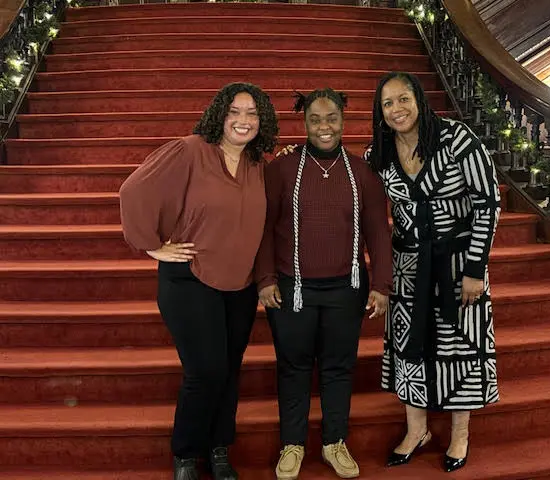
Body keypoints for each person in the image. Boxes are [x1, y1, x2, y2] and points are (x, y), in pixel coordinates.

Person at [119, 82, 278, 480]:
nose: (244, 121)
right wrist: (152, 246)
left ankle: (218, 447)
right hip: (189, 280)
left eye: (253, 114)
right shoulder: (190, 150)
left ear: (263, 122)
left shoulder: (258, 164)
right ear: (219, 116)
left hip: (239, 286)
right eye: (235, 112)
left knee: (228, 369)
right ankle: (186, 453)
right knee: (205, 370)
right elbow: (132, 189)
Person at [365, 72, 501, 472]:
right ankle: (416, 429)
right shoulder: (380, 151)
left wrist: (476, 267)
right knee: (410, 346)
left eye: (403, 99)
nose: (396, 109)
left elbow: (487, 203)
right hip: (407, 265)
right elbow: (366, 204)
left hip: (459, 262)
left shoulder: (456, 138)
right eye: (388, 103)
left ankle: (460, 435)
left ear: (419, 100)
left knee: (458, 346)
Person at [254, 88, 393, 480]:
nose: (324, 127)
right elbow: (263, 228)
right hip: (292, 287)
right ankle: (293, 444)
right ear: (304, 123)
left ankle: (334, 442)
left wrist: (381, 284)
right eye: (315, 119)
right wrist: (264, 279)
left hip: (345, 289)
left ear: (343, 120)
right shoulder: (281, 169)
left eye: (331, 118)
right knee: (293, 366)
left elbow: (378, 234)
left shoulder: (362, 172)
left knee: (338, 367)